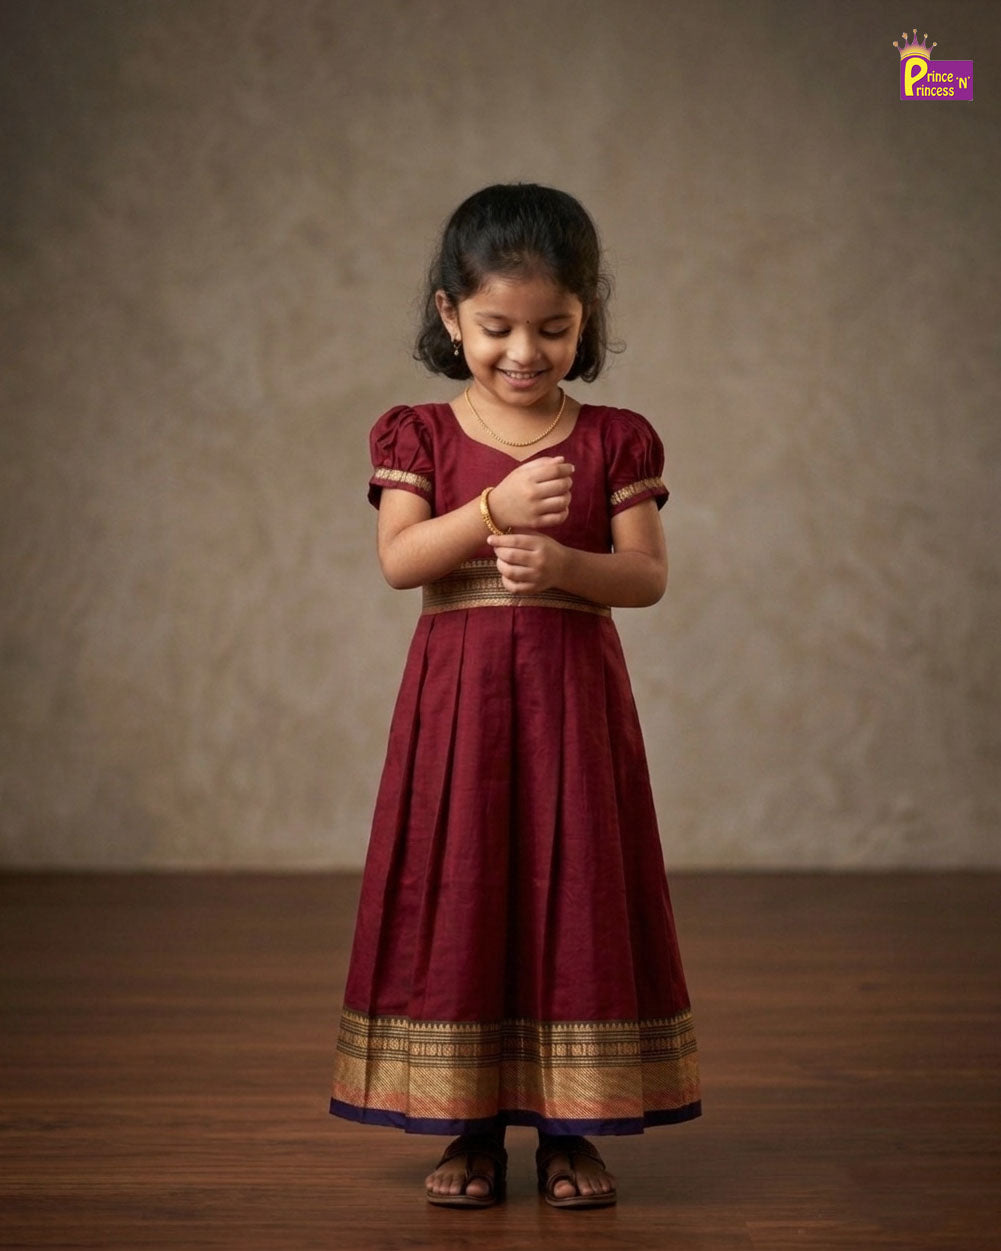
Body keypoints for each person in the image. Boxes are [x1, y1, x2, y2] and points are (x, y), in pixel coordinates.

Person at [330, 183, 700, 1209]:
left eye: (553, 327)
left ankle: (574, 1134)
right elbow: (402, 561)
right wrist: (490, 508)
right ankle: (469, 1129)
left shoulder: (616, 439)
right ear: (449, 315)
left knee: (574, 892)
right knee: (464, 889)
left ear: (587, 320)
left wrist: (566, 568)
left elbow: (645, 578)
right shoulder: (417, 432)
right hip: (458, 719)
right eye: (496, 328)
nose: (524, 352)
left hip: (571, 714)